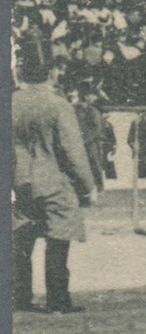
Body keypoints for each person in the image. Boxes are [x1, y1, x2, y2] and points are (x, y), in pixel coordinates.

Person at [12, 34, 96, 314]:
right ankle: (58, 300)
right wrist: (88, 186)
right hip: (52, 181)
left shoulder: (11, 102)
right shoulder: (58, 104)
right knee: (58, 240)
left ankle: (19, 297)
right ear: (50, 72)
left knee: (22, 242)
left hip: (19, 181)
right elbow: (73, 152)